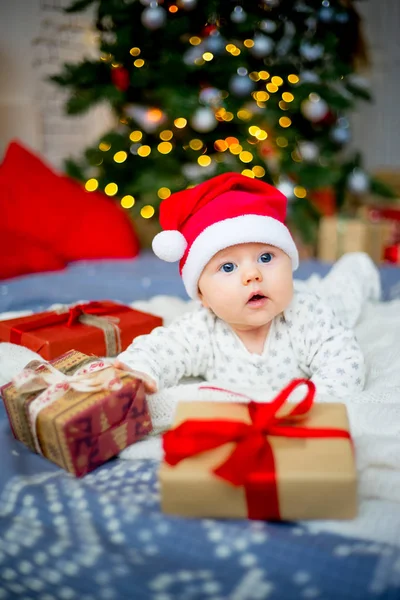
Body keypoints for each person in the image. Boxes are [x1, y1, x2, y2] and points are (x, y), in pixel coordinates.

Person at [115, 172, 373, 400]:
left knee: (344, 288)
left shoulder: (309, 315)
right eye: (228, 267)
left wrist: (306, 405)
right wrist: (138, 371)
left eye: (266, 257)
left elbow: (345, 366)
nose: (253, 274)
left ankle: (358, 265)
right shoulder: (200, 331)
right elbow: (160, 350)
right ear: (202, 296)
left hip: (325, 299)